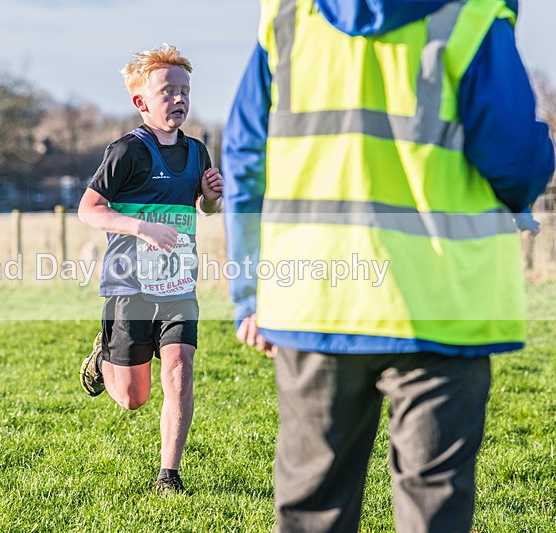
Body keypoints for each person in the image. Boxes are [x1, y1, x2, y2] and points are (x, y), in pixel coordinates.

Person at [223, 0, 554, 531]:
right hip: (440, 304)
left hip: (316, 300)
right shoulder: (470, 14)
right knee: (433, 506)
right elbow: (514, 154)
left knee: (312, 509)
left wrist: (252, 291)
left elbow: (245, 154)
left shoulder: (288, 13)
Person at [78, 44, 223, 494]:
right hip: (129, 283)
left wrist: (212, 196)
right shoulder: (127, 151)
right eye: (167, 91)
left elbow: (207, 210)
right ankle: (105, 357)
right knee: (132, 398)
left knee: (179, 369)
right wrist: (142, 228)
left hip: (178, 284)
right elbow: (89, 210)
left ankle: (169, 475)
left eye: (185, 90)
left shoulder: (198, 151)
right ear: (141, 101)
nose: (178, 99)